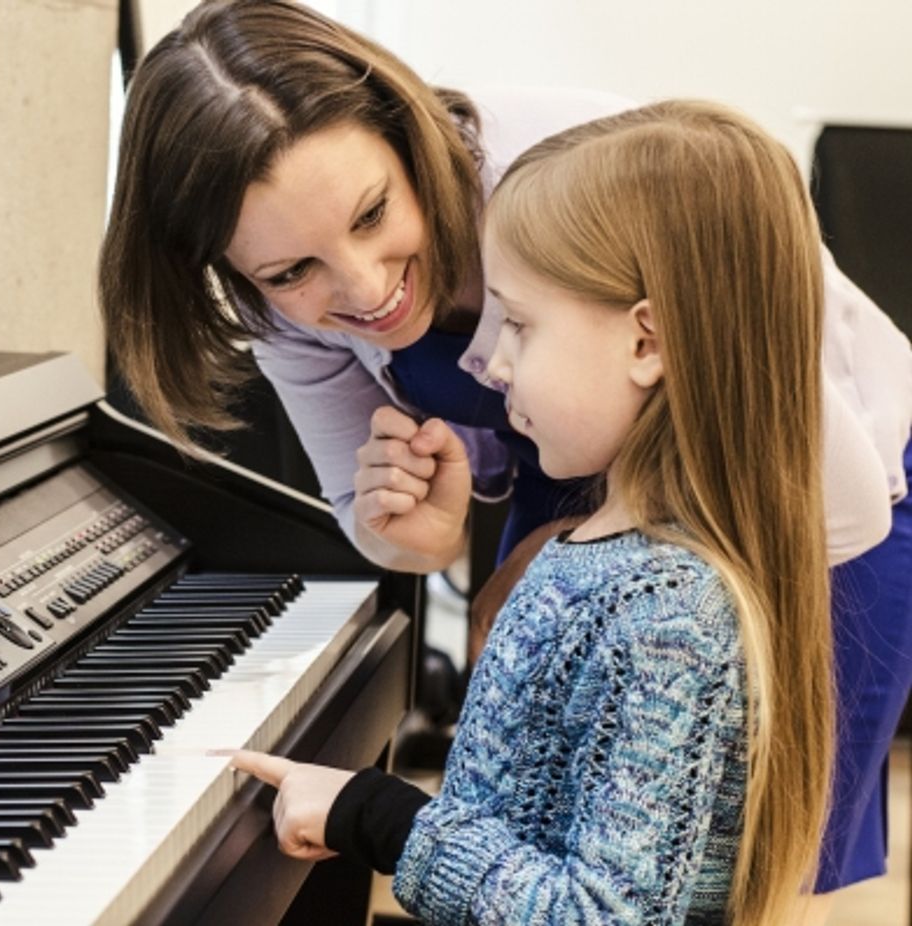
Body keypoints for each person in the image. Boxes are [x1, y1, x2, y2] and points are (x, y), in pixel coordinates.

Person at [99, 0, 912, 911]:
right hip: (592, 493)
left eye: (372, 215)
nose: (364, 289)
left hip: (814, 497)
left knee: (772, 851)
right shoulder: (294, 316)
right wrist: (431, 533)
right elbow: (392, 533)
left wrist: (595, 567)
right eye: (291, 273)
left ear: (408, 136)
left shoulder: (569, 172)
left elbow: (824, 496)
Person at [232, 98, 835, 923]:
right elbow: (521, 831)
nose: (491, 364)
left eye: (518, 323)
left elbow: (603, 914)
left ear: (647, 342)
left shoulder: (668, 614)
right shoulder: (602, 558)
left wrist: (380, 818)